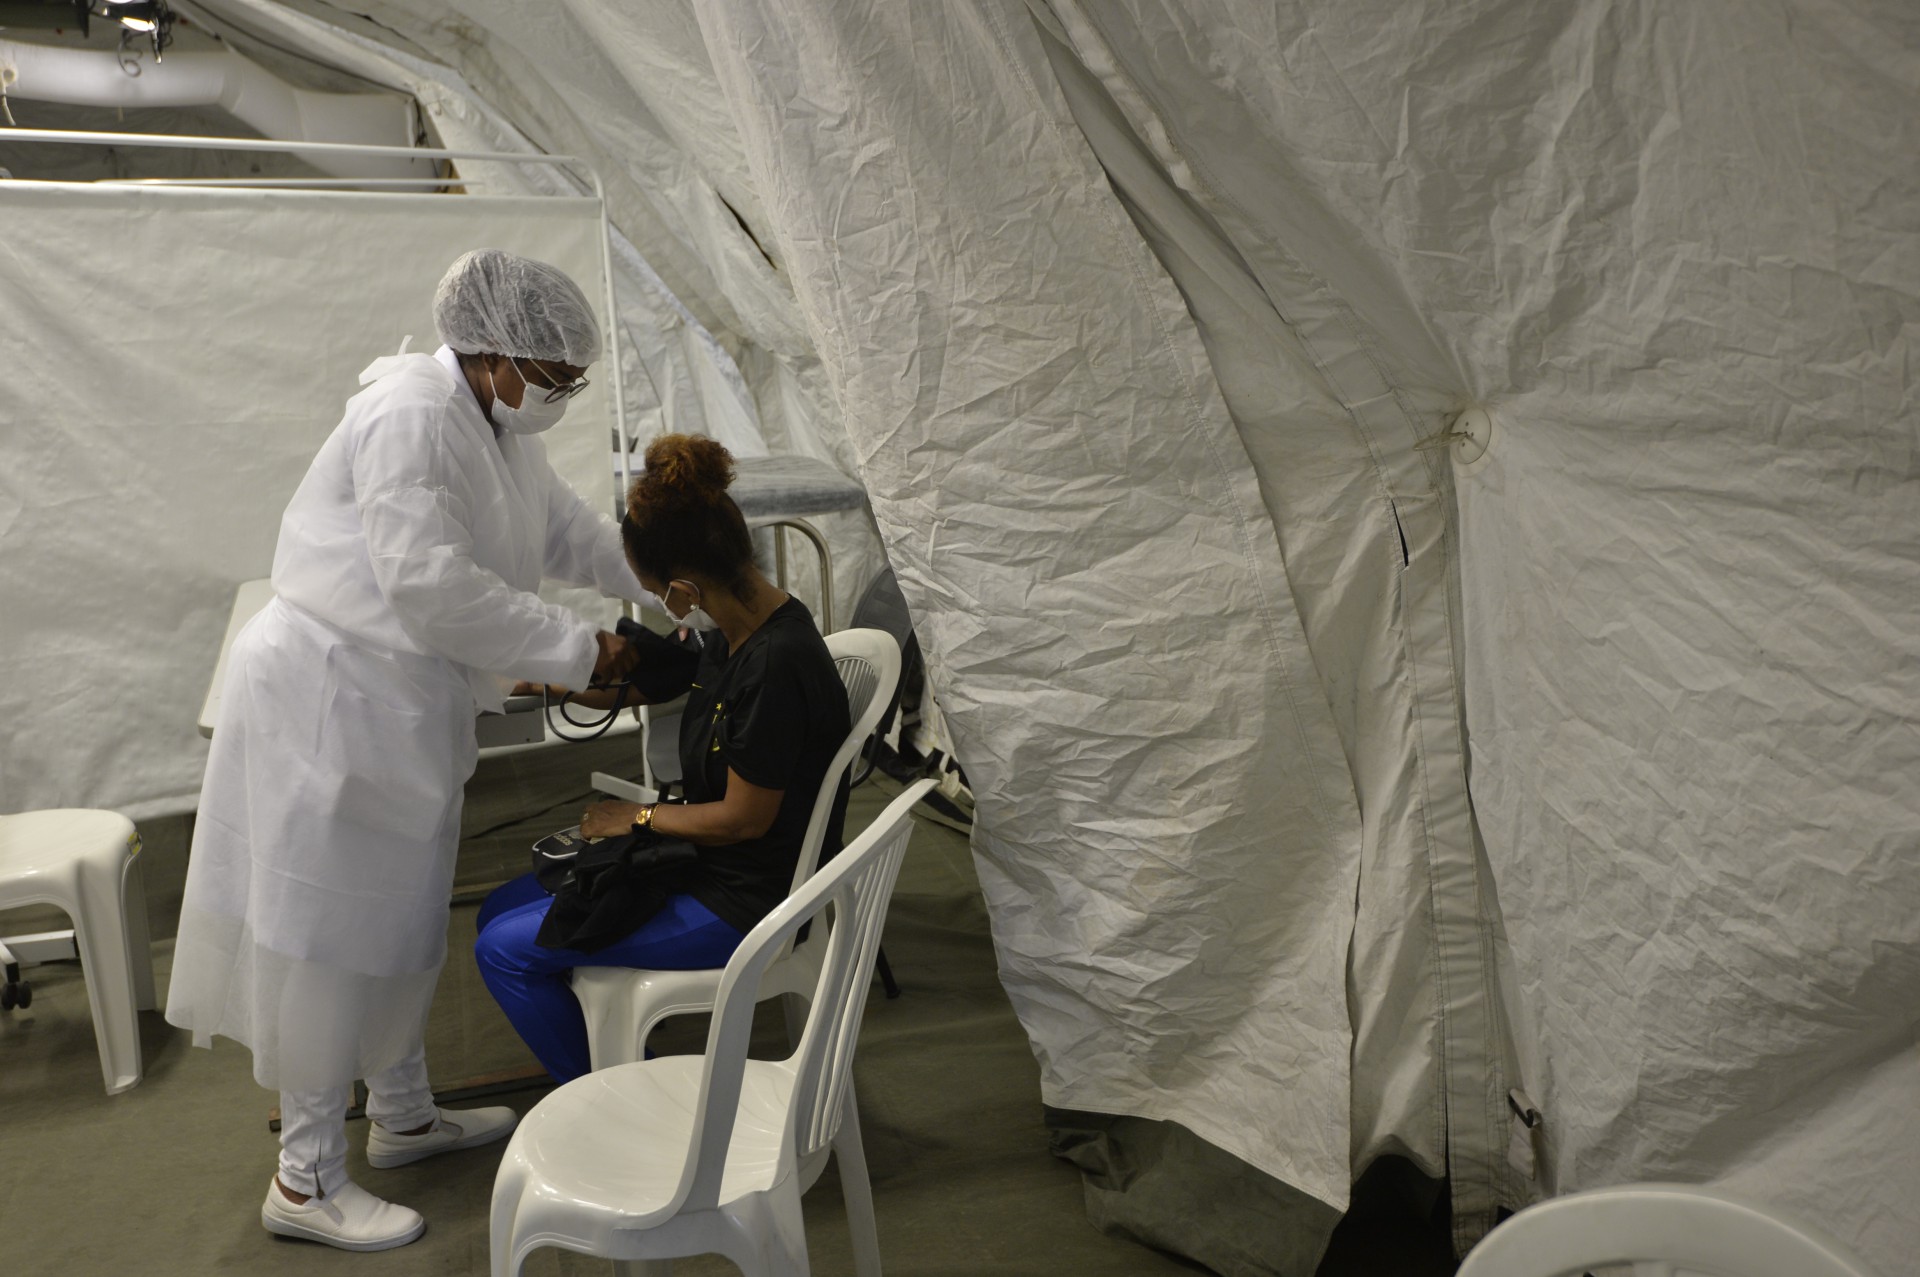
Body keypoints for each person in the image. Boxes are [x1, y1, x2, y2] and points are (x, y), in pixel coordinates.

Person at [166, 249, 659, 1252]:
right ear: (493, 353)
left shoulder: (493, 425)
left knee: (395, 923)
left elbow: (560, 532)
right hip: (332, 701)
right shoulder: (413, 415)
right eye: (554, 376)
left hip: (396, 705)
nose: (561, 395)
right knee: (331, 941)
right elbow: (428, 583)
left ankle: (402, 1113)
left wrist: (658, 580)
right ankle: (303, 1178)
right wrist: (584, 650)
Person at [474, 433, 853, 1083]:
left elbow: (743, 819)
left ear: (682, 590)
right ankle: (613, 1057)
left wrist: (638, 819)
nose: (657, 605)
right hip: (705, 864)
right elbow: (658, 678)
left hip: (745, 901)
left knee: (503, 950)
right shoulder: (736, 625)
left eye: (654, 591)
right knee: (497, 910)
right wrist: (548, 678)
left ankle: (633, 1104)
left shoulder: (775, 665)